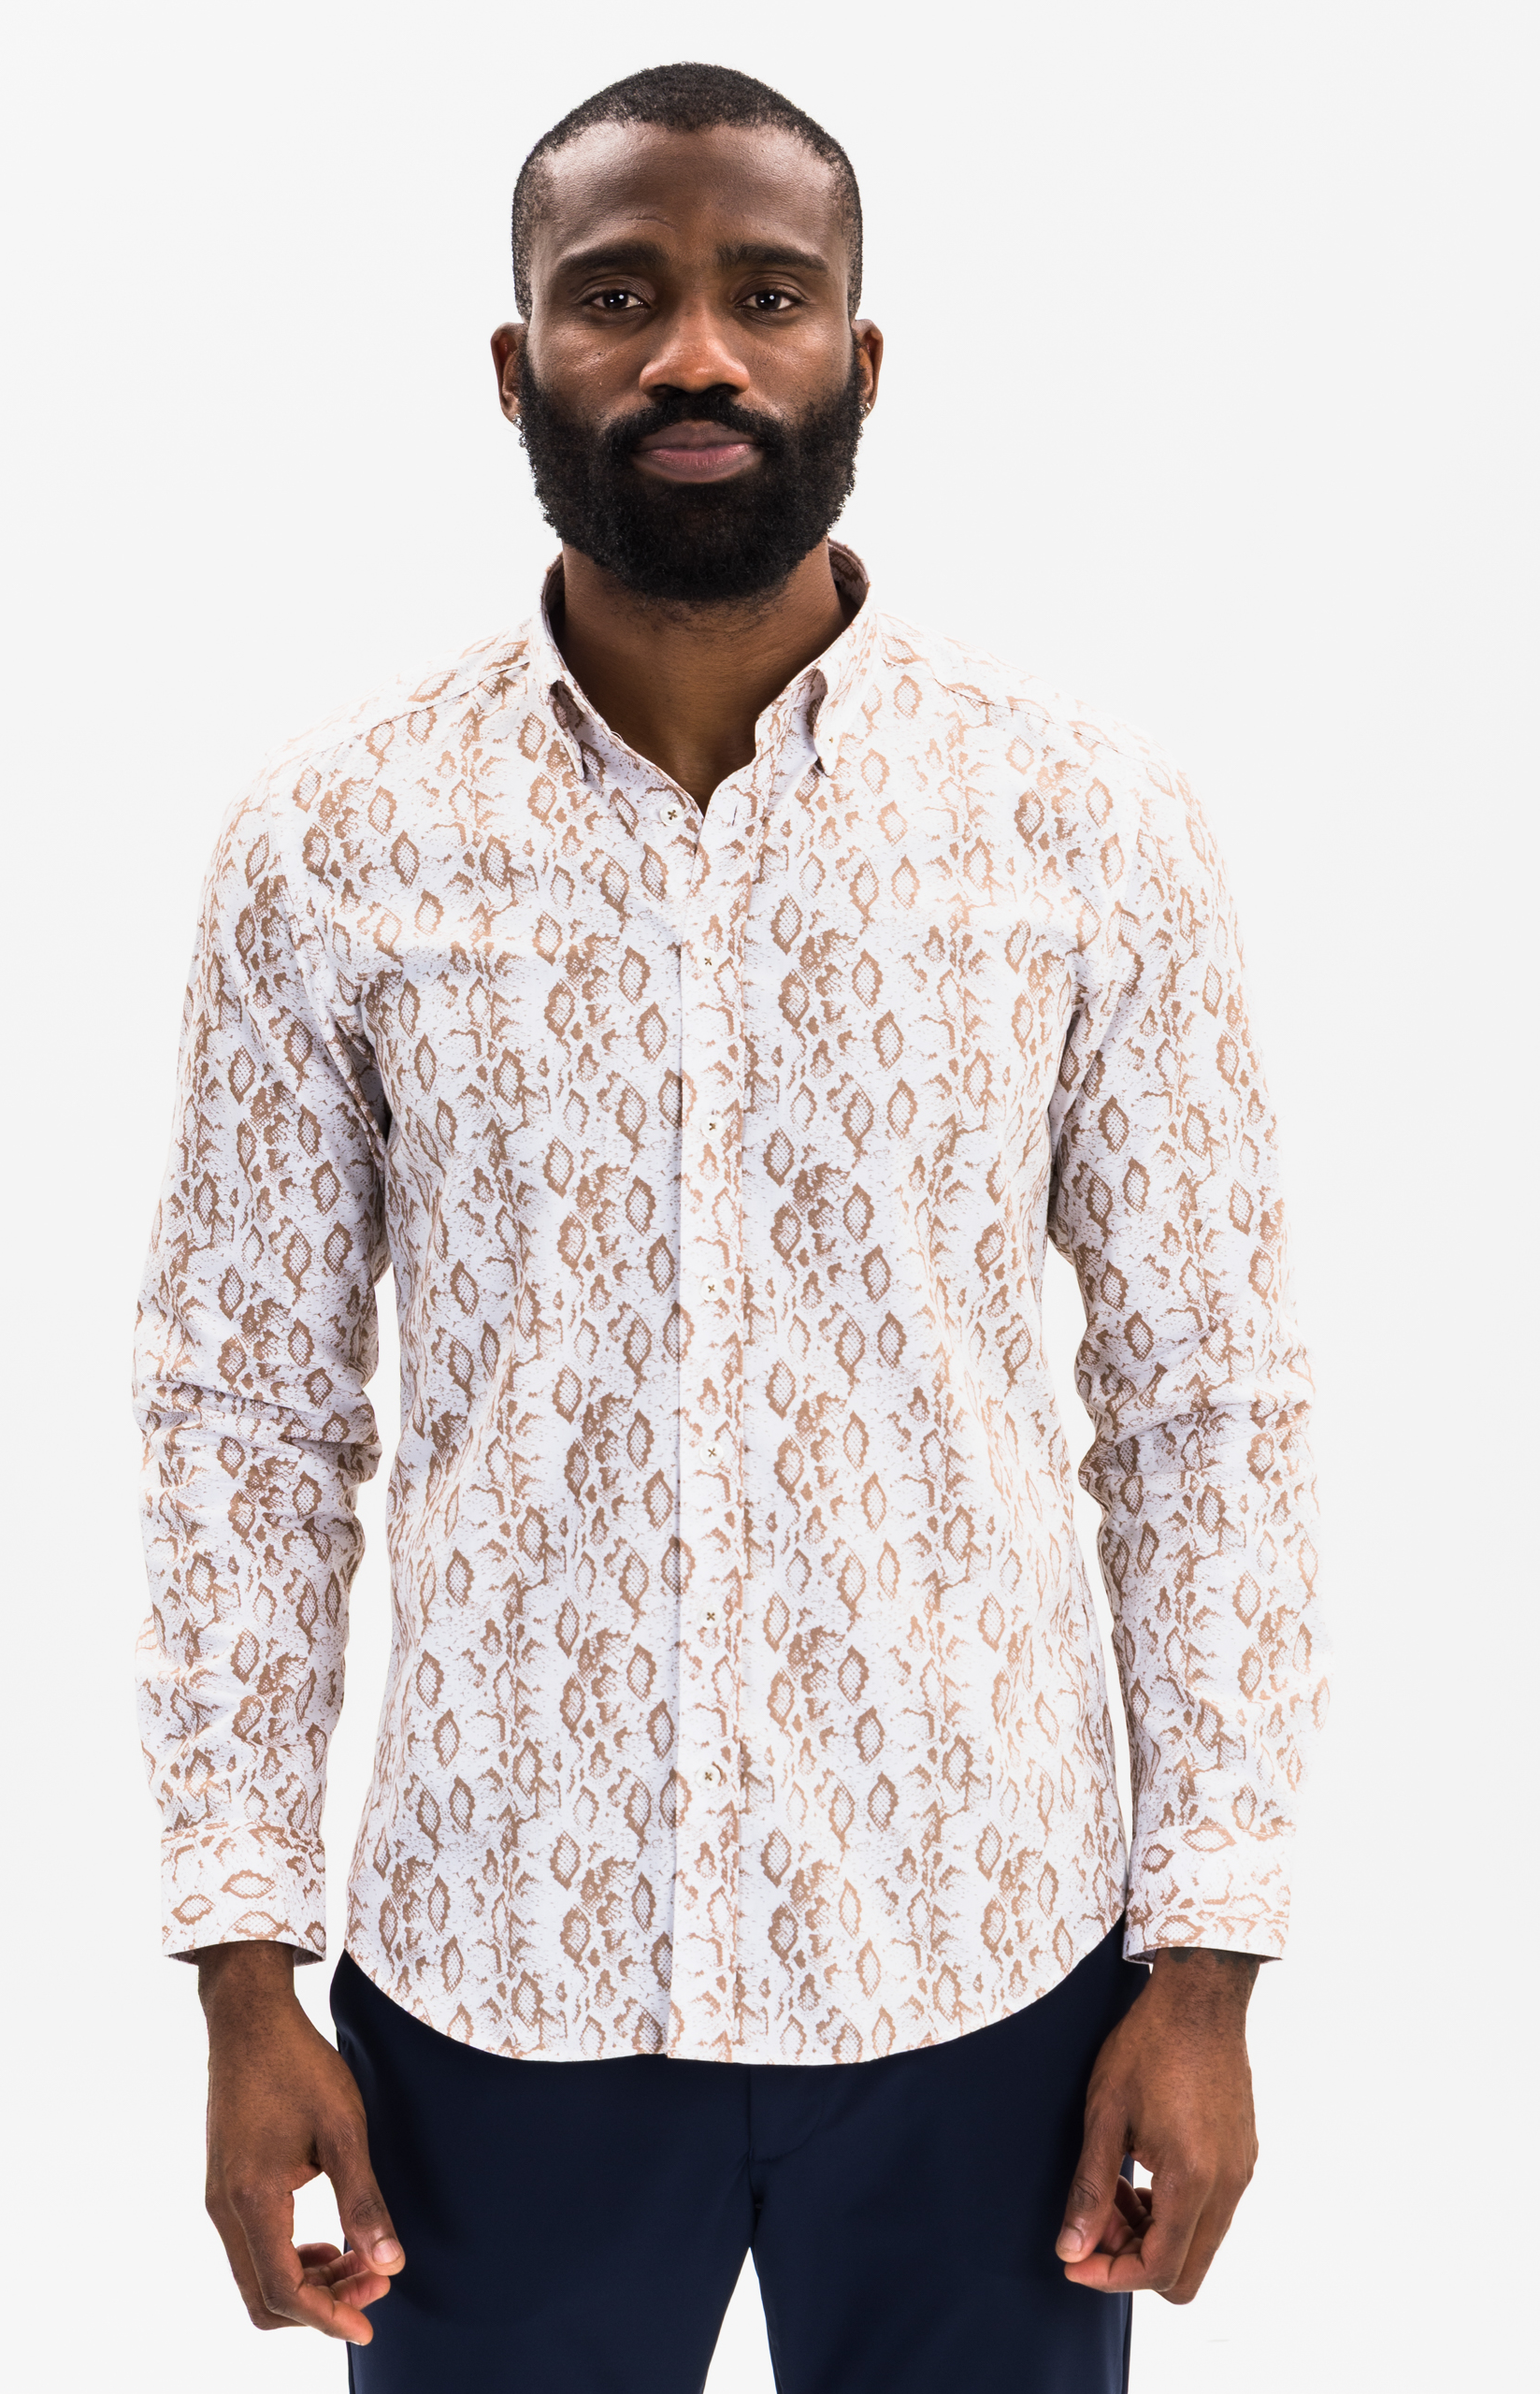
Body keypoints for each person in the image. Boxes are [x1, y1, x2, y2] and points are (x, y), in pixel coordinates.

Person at [135, 60, 1325, 2394]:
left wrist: (1206, 1967)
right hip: (497, 1985)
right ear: (517, 367)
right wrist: (242, 1973)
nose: (695, 352)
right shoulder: (331, 842)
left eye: (765, 295)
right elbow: (243, 1419)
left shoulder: (1083, 824)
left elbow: (1207, 1402)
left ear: (856, 359)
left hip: (985, 1975)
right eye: (618, 296)